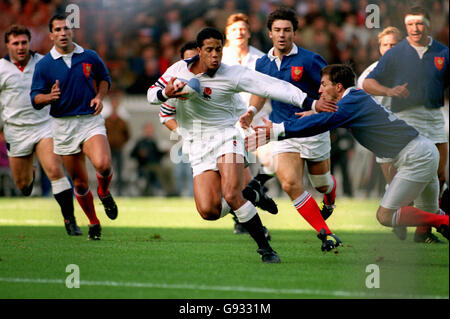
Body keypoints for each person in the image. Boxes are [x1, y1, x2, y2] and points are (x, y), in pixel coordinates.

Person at [147, 27, 338, 262]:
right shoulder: (178, 71)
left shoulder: (232, 74)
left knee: (231, 193)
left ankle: (265, 249)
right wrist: (165, 93)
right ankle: (252, 194)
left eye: (219, 49)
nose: (215, 54)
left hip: (227, 136)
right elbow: (151, 94)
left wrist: (311, 102)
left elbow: (272, 86)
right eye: (209, 50)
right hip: (198, 143)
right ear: (198, 51)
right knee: (209, 211)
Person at [249, 64, 449, 242]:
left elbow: (323, 123)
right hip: (422, 150)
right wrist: (311, 113)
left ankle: (444, 220)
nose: (319, 89)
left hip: (416, 157)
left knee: (385, 216)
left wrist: (276, 130)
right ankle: (442, 221)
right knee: (429, 213)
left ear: (338, 87)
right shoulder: (354, 98)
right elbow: (323, 116)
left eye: (323, 84)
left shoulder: (351, 103)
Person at [240, 7, 339, 245]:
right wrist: (251, 111)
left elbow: (331, 90)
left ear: (295, 33)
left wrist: (317, 109)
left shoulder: (311, 60)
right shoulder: (263, 63)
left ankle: (330, 197)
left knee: (322, 183)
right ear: (270, 33)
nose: (282, 35)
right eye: (277, 30)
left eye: (287, 30)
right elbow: (260, 92)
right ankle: (325, 233)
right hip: (282, 131)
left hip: (313, 129)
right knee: (290, 183)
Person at [363, 5, 449, 243]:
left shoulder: (443, 52)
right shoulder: (396, 54)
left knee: (439, 175)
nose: (415, 28)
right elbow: (368, 83)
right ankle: (402, 216)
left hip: (433, 118)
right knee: (405, 176)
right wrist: (390, 90)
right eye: (410, 24)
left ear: (428, 24)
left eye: (419, 23)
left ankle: (424, 231)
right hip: (405, 120)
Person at [30, 14, 118, 240]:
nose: (62, 33)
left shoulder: (89, 56)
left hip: (89, 120)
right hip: (62, 125)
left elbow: (105, 78)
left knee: (104, 164)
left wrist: (99, 96)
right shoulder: (44, 65)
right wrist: (49, 97)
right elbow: (35, 99)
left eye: (66, 29)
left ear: (73, 32)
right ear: (51, 35)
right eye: (57, 29)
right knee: (79, 183)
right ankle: (94, 222)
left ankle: (104, 192)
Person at [0, 24, 81, 236]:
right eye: (15, 43)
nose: (20, 47)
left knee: (55, 170)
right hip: (16, 131)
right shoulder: (1, 68)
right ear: (7, 45)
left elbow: (64, 82)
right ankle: (30, 171)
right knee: (23, 186)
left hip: (44, 126)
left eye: (24, 42)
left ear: (30, 43)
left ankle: (70, 220)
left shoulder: (44, 62)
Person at [130, 122, 176, 196]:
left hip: (155, 164)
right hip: (145, 166)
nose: (149, 131)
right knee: (160, 171)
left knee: (168, 169)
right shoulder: (140, 142)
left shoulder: (153, 142)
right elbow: (132, 154)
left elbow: (157, 154)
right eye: (148, 129)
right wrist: (139, 154)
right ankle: (165, 191)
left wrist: (164, 153)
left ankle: (171, 190)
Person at [104, 90, 130, 196]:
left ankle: (119, 192)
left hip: (118, 148)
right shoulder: (106, 120)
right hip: (108, 149)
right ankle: (106, 191)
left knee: (119, 171)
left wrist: (121, 143)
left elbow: (127, 135)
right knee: (106, 171)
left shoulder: (122, 120)